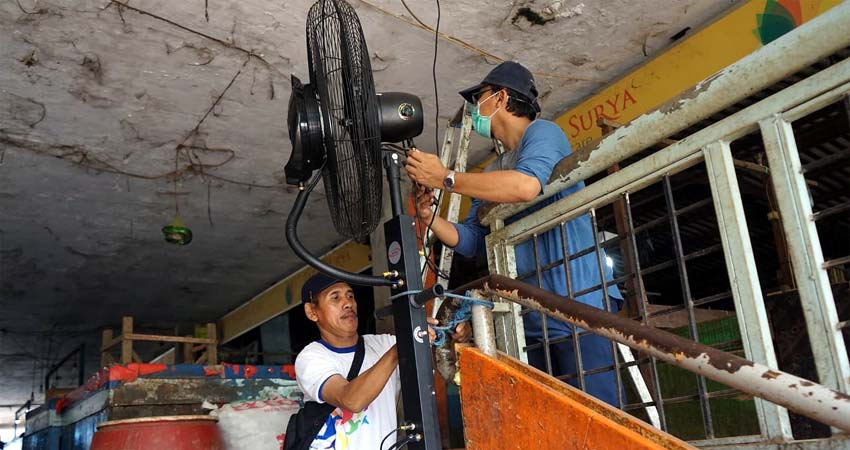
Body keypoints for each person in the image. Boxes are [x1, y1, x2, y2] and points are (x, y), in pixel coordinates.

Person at [404, 61, 623, 406]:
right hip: (533, 318)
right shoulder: (493, 171)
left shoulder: (543, 133)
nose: (476, 109)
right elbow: (473, 239)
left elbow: (525, 186)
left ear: (502, 98)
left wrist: (445, 177)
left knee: (597, 417)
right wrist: (428, 217)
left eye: (480, 98)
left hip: (577, 306)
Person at [294, 273, 464, 450]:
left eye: (350, 296)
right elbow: (351, 401)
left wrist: (455, 338)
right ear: (312, 312)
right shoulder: (311, 357)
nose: (348, 303)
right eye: (335, 297)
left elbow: (441, 362)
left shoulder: (383, 344)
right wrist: (399, 349)